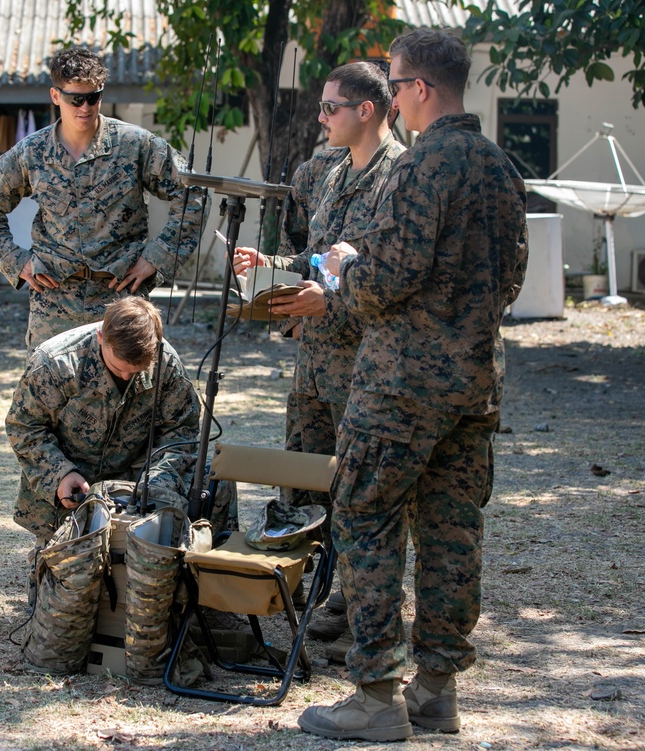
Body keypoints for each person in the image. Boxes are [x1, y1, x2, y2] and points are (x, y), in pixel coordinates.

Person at [296, 29, 528, 741]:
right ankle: (436, 690)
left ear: (420, 89)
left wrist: (342, 273)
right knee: (452, 533)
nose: (392, 100)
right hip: (475, 382)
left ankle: (374, 694)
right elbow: (512, 277)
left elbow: (389, 277)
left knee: (365, 519)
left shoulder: (423, 165)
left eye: (394, 87)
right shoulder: (501, 168)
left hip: (401, 385)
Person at [232, 62, 405, 642]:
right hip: (313, 365)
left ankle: (365, 610)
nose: (321, 116)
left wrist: (326, 304)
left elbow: (396, 282)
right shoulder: (326, 172)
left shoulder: (401, 178)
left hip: (369, 367)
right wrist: (270, 273)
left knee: (361, 492)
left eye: (331, 107)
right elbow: (315, 261)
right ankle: (311, 589)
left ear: (367, 110)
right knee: (303, 483)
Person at [0, 46, 206, 352]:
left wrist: (157, 256)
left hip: (120, 298)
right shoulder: (32, 153)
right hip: (54, 301)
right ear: (56, 96)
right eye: (75, 99)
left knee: (127, 388)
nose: (85, 107)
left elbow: (193, 194)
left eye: (93, 97)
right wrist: (16, 262)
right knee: (50, 393)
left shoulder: (133, 145)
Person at [6, 297, 201, 550]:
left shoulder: (167, 365)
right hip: (72, 489)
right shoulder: (55, 362)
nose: (126, 376)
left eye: (137, 370)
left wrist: (157, 484)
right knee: (65, 575)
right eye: (118, 367)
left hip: (136, 486)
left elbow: (181, 433)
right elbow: (25, 427)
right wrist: (60, 474)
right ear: (100, 337)